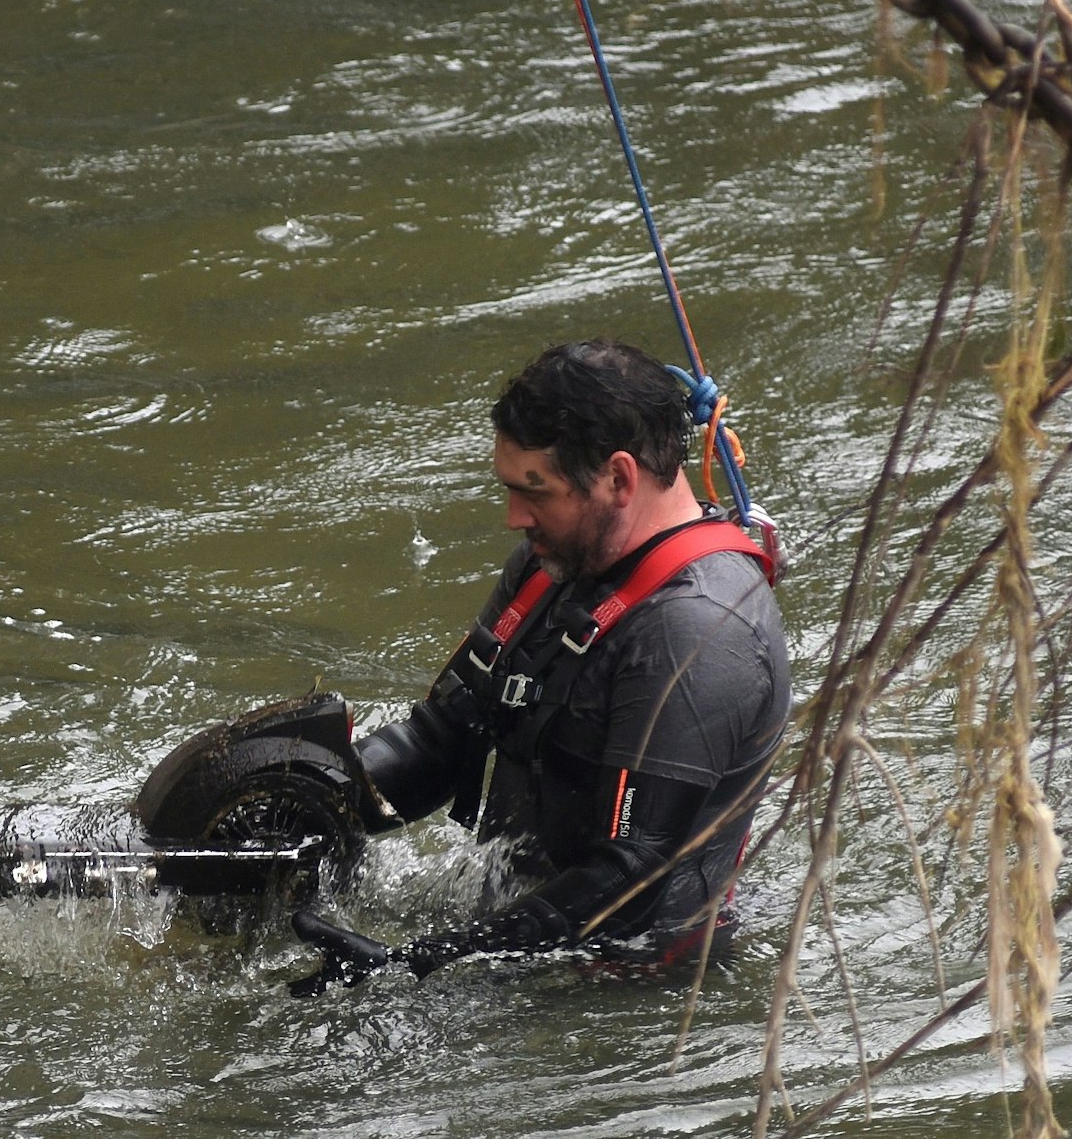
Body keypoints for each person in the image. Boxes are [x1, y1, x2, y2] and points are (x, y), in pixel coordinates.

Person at [311, 340, 788, 984]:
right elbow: (442, 735)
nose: (514, 517)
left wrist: (428, 964)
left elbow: (632, 875)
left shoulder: (697, 629)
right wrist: (304, 799)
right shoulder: (553, 565)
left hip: (624, 991)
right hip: (508, 932)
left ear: (619, 478)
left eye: (535, 491)